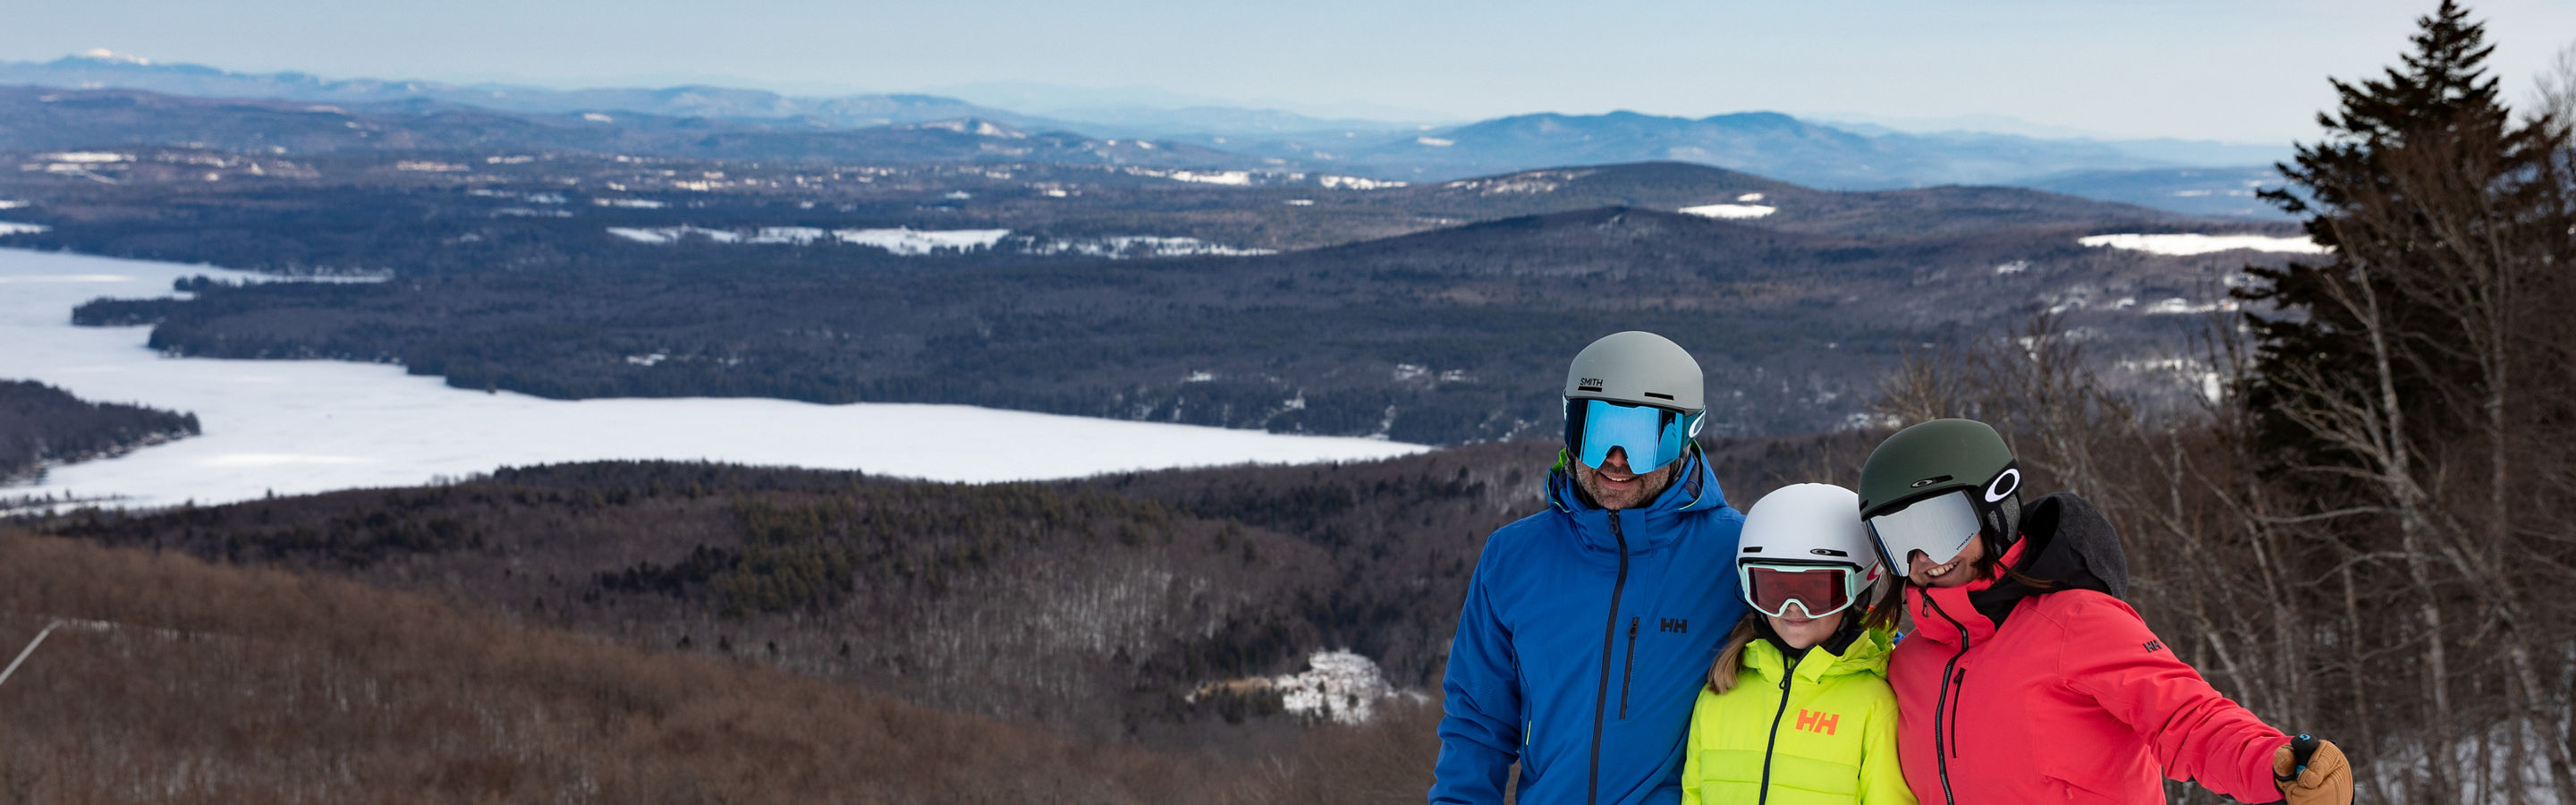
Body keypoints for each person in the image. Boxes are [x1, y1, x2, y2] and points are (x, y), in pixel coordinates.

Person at [1854, 418, 2354, 805]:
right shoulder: (1909, 662)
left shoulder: (2076, 622)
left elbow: (2187, 717)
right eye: (1900, 540)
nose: (1924, 559)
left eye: (1940, 528)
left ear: (1995, 508)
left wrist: (2274, 764)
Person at [1432, 331, 1748, 805]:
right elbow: (1477, 722)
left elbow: (1829, 656)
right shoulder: (1514, 557)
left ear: (1684, 436)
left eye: (1643, 439)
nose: (1616, 460)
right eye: (1597, 431)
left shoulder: (1738, 556)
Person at [1680, 483, 1913, 805]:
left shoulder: (1874, 704)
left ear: (1858, 590)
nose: (1793, 607)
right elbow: (1693, 796)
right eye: (1774, 588)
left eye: (1817, 589)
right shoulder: (1719, 694)